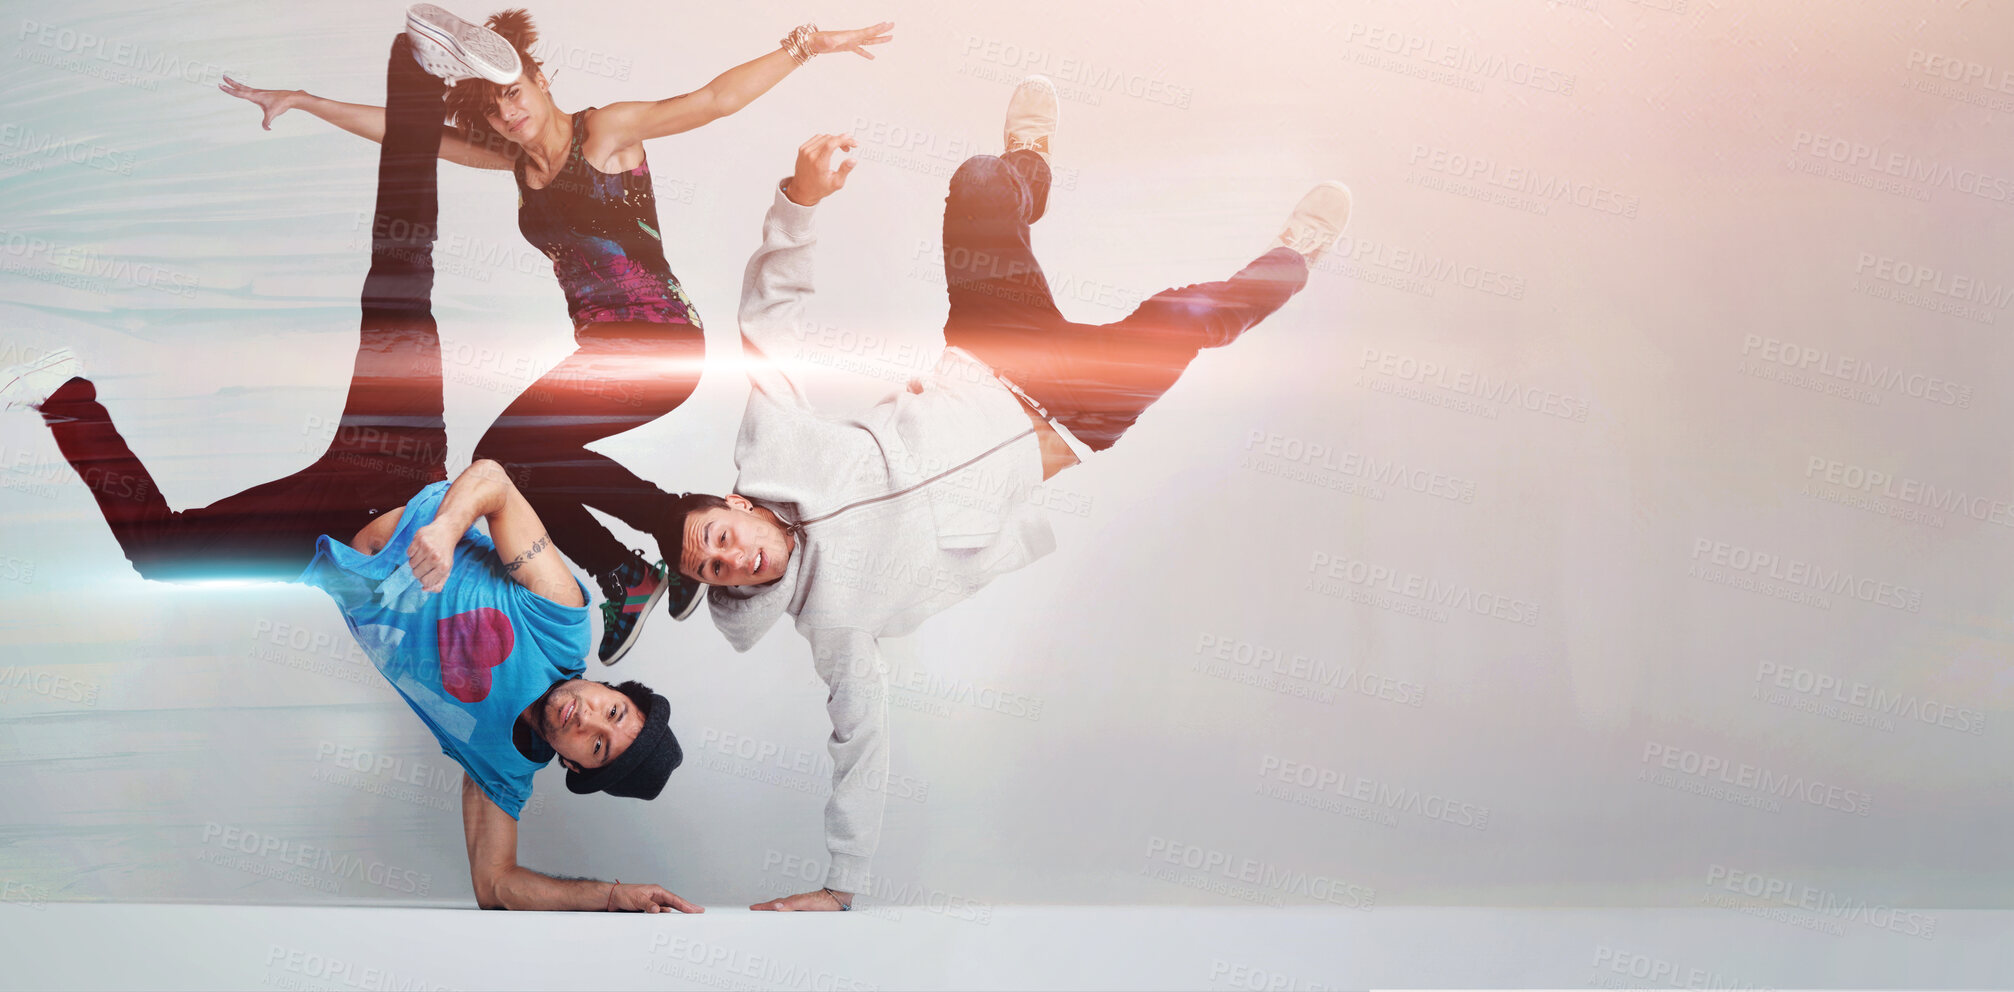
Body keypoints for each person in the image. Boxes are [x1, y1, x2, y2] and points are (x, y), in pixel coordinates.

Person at [4, 33, 697, 912]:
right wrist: (444, 531)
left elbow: (496, 886)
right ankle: (418, 63)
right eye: (612, 712)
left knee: (159, 556)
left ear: (574, 769)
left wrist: (613, 897)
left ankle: (64, 394)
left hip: (321, 544)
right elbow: (493, 482)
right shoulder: (564, 622)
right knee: (400, 273)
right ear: (614, 686)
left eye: (595, 746)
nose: (586, 721)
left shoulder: (501, 767)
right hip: (398, 466)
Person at [666, 78, 1353, 911]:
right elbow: (859, 739)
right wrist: (841, 886)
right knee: (1185, 314)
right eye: (719, 575)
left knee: (981, 182)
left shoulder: (775, 451)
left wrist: (798, 203)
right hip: (1072, 415)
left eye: (716, 539)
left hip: (991, 350)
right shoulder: (834, 623)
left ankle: (1032, 163)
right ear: (732, 589)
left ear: (733, 508)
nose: (731, 561)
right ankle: (1294, 258)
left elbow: (766, 326)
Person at [220, 5, 896, 663]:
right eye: (494, 108)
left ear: (540, 81)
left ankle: (631, 570)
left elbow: (713, 98)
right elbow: (407, 132)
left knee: (499, 458)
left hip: (660, 344)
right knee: (514, 464)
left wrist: (809, 45)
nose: (510, 113)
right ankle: (638, 565)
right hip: (605, 353)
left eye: (515, 93)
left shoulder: (603, 133)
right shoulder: (515, 164)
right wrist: (308, 100)